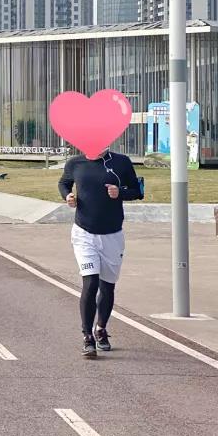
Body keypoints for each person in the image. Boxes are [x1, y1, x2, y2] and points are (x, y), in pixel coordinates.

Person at [58, 148, 143, 358]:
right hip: (83, 233)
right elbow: (64, 182)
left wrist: (120, 193)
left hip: (112, 235)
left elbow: (138, 190)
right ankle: (87, 336)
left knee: (107, 285)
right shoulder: (75, 163)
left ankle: (101, 328)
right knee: (91, 282)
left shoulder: (121, 162)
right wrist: (67, 196)